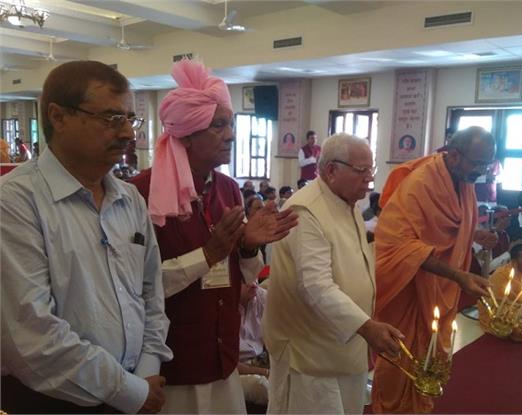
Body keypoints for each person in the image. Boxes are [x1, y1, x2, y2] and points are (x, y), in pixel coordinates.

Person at [0, 60, 172, 414]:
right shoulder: (16, 201)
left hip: (136, 387)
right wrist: (130, 392)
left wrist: (146, 372)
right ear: (58, 117)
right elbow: (31, 335)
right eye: (111, 119)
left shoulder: (130, 199)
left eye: (130, 118)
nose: (127, 133)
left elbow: (151, 295)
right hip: (53, 400)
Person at [129, 59, 298, 414]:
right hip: (172, 363)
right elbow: (135, 288)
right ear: (187, 133)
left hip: (221, 357)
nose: (232, 135)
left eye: (231, 124)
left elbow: (242, 279)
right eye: (219, 126)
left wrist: (249, 245)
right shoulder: (140, 193)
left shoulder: (228, 189)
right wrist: (207, 254)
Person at [263, 134, 402, 414]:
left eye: (371, 171)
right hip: (310, 354)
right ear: (331, 170)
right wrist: (366, 326)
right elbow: (316, 286)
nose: (369, 180)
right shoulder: (306, 209)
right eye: (361, 171)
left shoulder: (345, 201)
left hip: (343, 345)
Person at [372, 126, 496, 413]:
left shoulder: (462, 179)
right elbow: (397, 242)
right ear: (453, 155)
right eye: (478, 163)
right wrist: (458, 275)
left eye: (487, 163)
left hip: (437, 285)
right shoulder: (420, 184)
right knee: (399, 355)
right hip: (407, 285)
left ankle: (417, 407)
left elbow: (445, 226)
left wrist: (474, 234)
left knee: (431, 355)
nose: (483, 170)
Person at [238, 281, 270, 406]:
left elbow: (277, 343)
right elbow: (226, 364)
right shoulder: (221, 306)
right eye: (245, 280)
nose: (253, 284)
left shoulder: (263, 297)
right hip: (234, 372)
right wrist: (266, 373)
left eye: (255, 276)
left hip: (262, 361)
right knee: (263, 388)